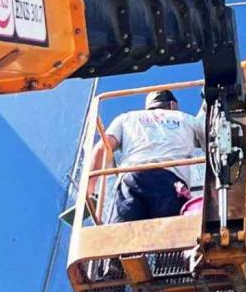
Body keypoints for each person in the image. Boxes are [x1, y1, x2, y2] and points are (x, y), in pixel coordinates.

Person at [87, 89, 205, 223]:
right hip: (170, 184)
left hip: (131, 179)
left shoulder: (127, 118)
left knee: (121, 238)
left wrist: (90, 191)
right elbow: (213, 145)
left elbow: (103, 148)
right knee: (170, 239)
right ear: (172, 105)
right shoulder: (185, 118)